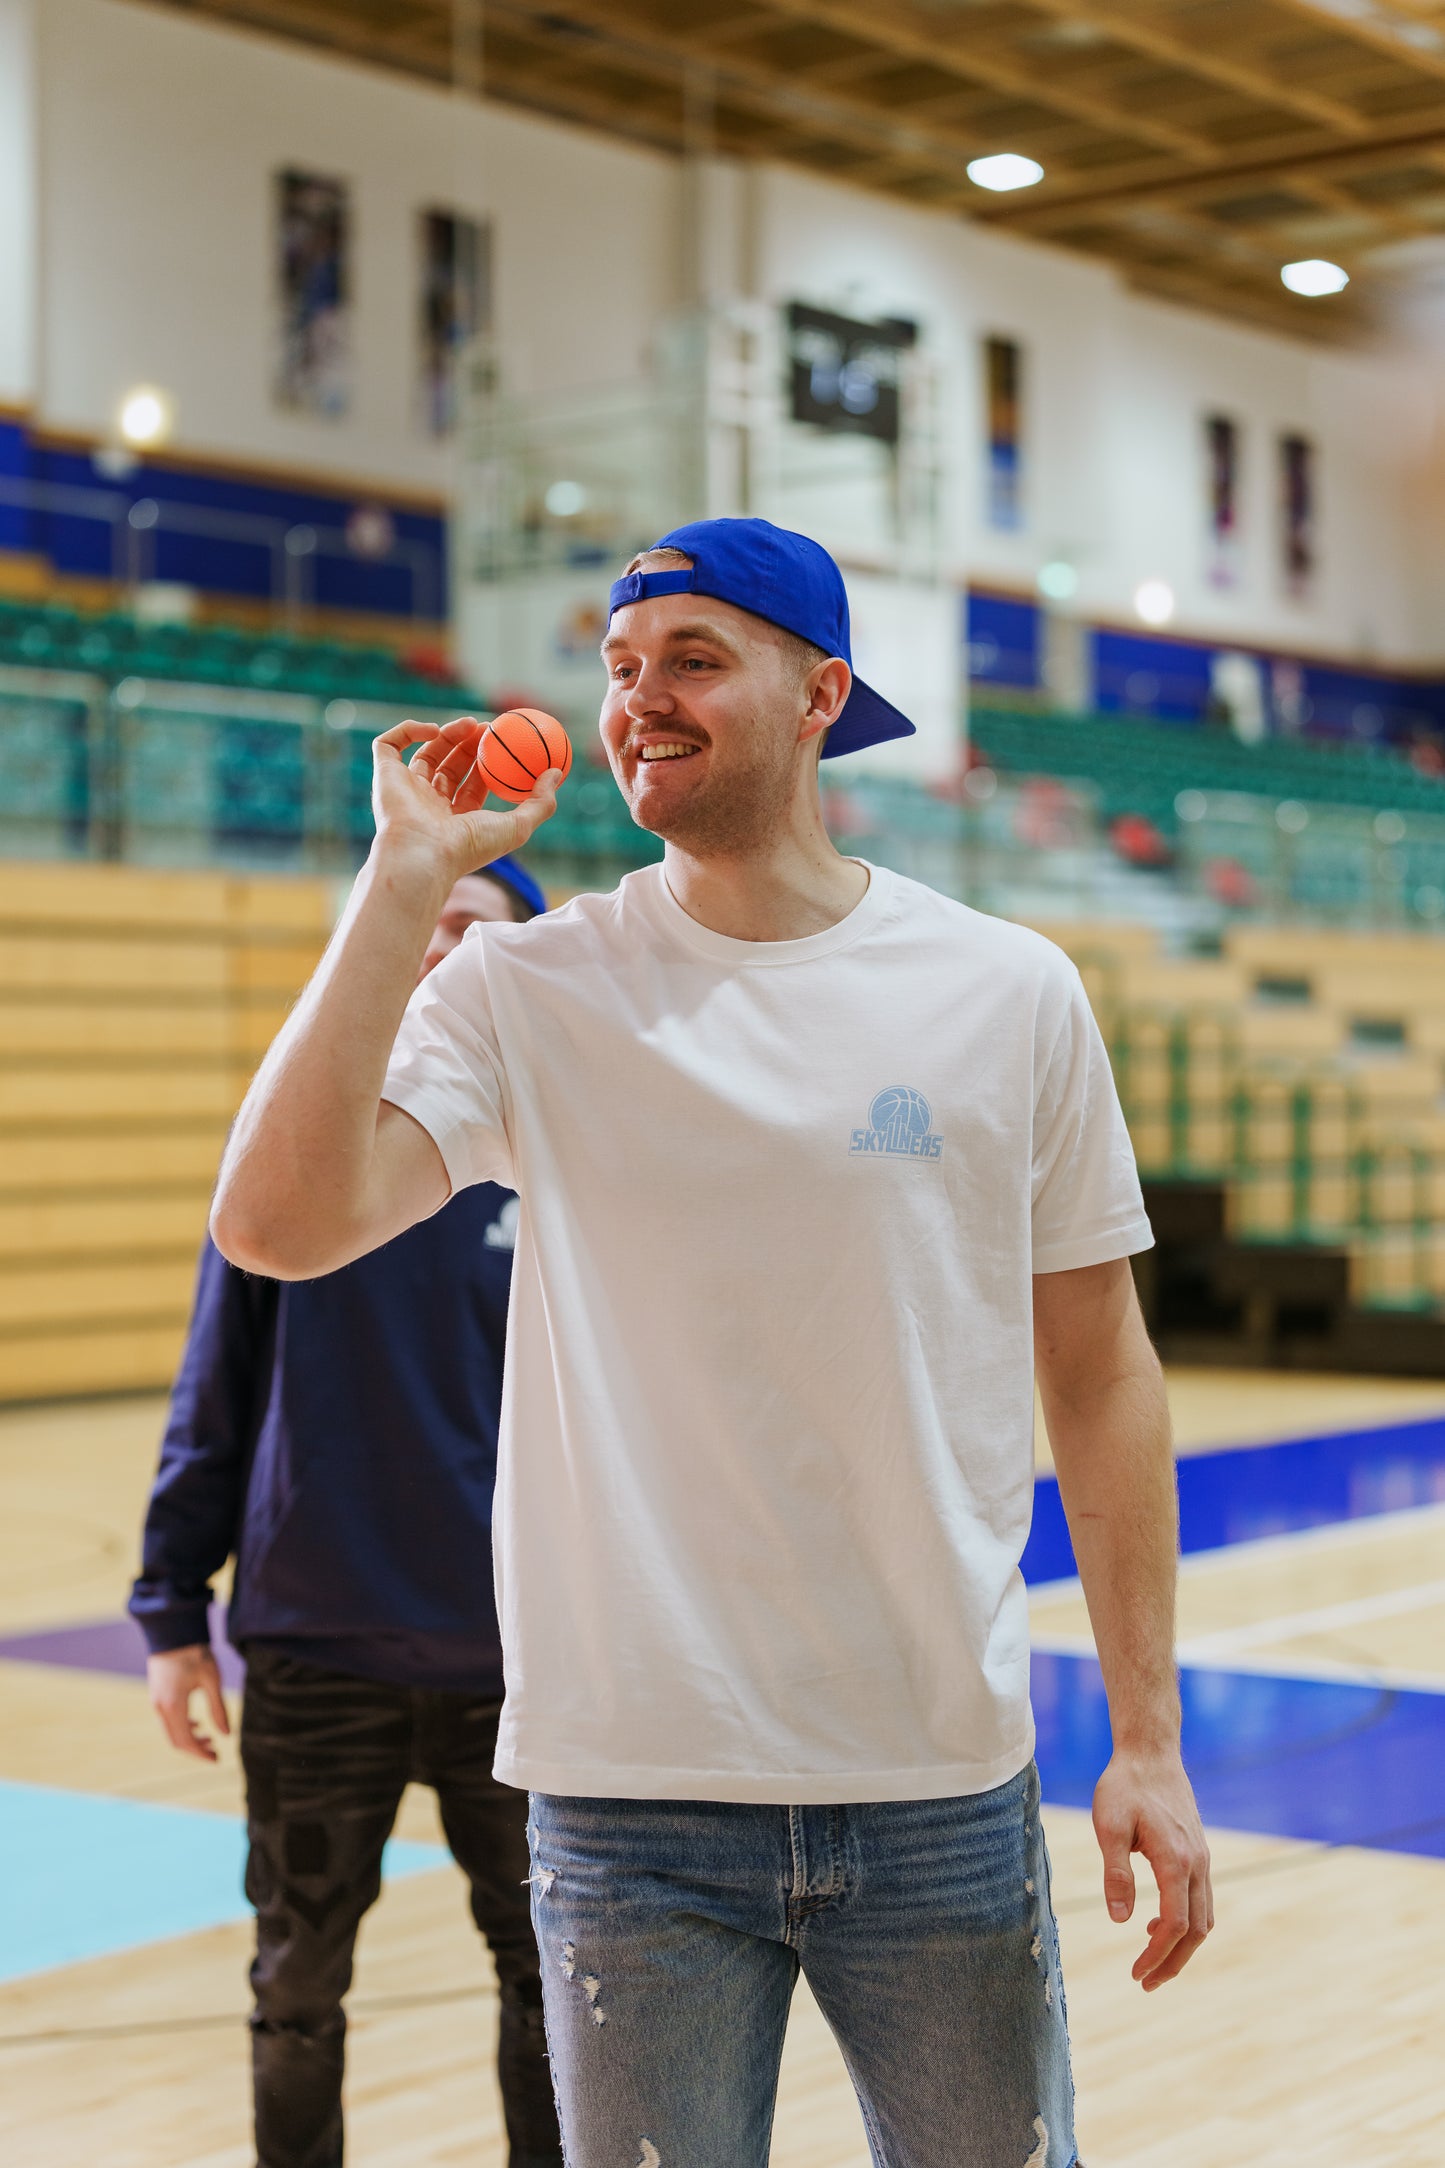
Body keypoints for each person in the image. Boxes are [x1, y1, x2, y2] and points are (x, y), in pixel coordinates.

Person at [209, 517, 1213, 2168]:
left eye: (691, 659)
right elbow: (276, 1224)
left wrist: (1149, 1740)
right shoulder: (534, 987)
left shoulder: (1003, 990)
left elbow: (1099, 1375)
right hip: (626, 1799)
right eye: (616, 666)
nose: (636, 701)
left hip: (934, 1779)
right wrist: (404, 885)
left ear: (821, 694)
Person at [130, 856, 563, 2168]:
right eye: (419, 919)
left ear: (527, 963)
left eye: (472, 926)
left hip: (526, 1667)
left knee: (554, 1991)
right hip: (321, 1654)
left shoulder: (574, 1158)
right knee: (296, 1992)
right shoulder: (296, 1145)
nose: (438, 946)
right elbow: (218, 1385)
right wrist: (168, 1608)